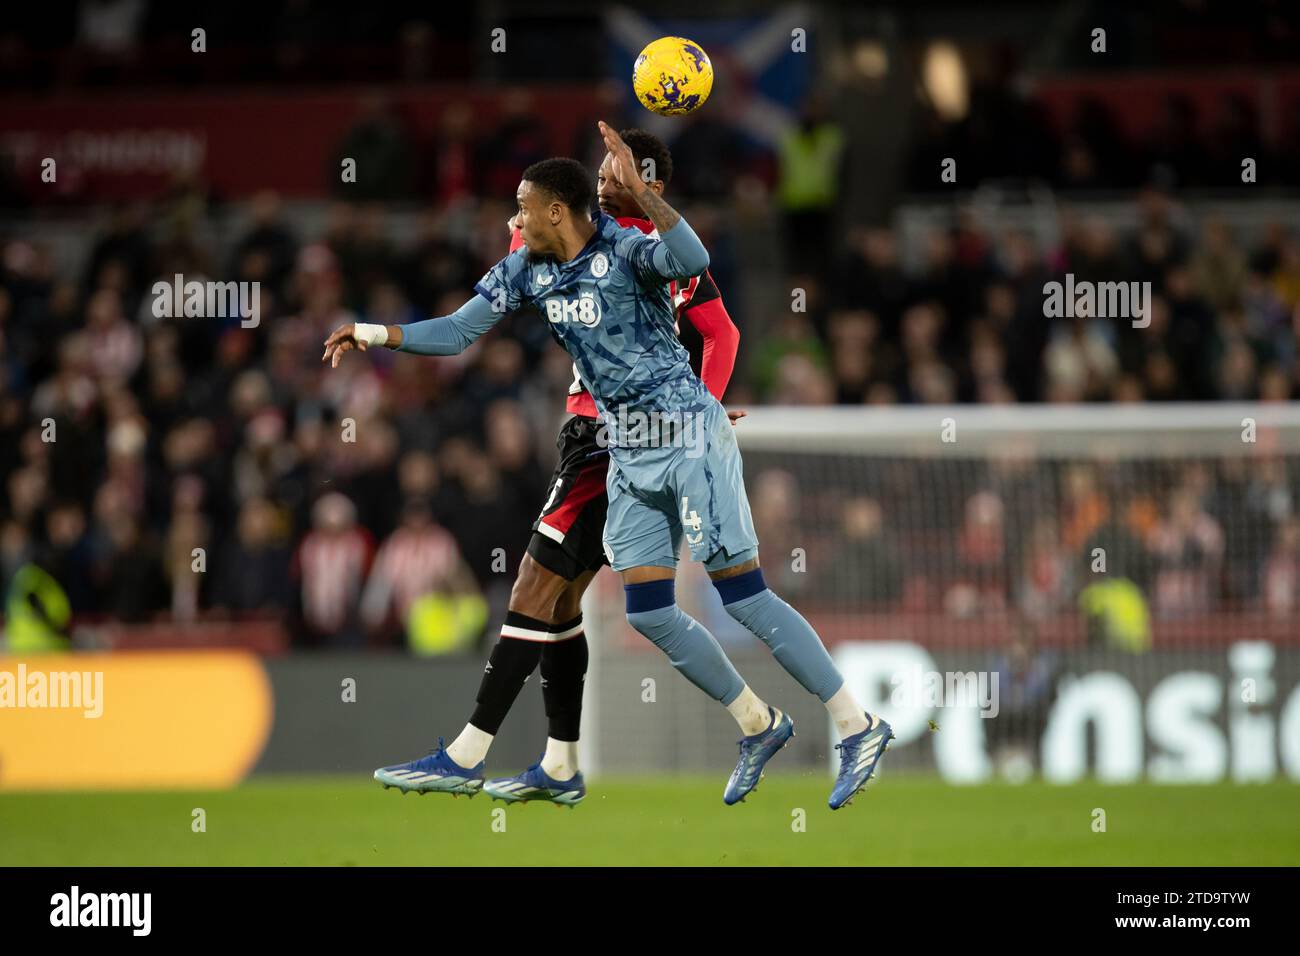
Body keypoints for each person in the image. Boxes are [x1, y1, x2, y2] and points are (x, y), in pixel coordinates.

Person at [323, 122, 893, 810]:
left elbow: (693, 260)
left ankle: (857, 724)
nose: (515, 215)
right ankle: (756, 723)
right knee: (649, 612)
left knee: (742, 595)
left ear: (561, 209)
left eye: (526, 206)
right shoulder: (528, 265)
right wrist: (373, 333)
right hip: (625, 451)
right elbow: (455, 332)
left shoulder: (632, 248)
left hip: (684, 438)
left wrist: (646, 204)